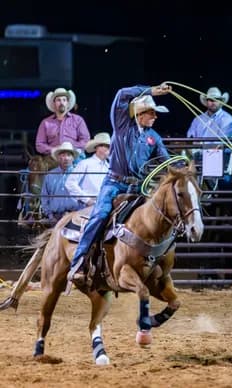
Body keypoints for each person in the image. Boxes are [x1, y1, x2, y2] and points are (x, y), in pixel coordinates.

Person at [67, 84, 173, 285]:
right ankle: (78, 262)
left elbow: (166, 162)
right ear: (140, 114)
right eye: (152, 113)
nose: (155, 117)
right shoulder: (123, 124)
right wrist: (151, 90)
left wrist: (184, 169)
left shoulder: (153, 138)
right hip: (115, 183)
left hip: (138, 187)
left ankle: (151, 261)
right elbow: (121, 94)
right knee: (99, 215)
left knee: (157, 216)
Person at [187, 87, 232, 189]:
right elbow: (190, 138)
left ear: (221, 101)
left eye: (216, 99)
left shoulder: (227, 119)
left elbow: (221, 141)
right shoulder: (198, 119)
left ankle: (210, 191)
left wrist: (200, 147)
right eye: (210, 100)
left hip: (219, 155)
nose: (213, 102)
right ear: (206, 102)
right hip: (199, 155)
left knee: (211, 155)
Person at [35, 88, 90, 158]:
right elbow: (39, 144)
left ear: (67, 103)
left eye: (64, 100)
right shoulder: (45, 122)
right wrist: (53, 150)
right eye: (58, 100)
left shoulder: (78, 120)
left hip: (73, 157)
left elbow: (86, 140)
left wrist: (70, 147)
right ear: (54, 103)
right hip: (53, 158)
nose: (62, 102)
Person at [65, 132, 110, 208]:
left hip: (104, 203)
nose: (108, 149)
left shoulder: (108, 167)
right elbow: (70, 183)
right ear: (97, 148)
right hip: (87, 206)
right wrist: (87, 200)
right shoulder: (85, 163)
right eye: (105, 146)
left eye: (108, 146)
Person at [41, 142, 80, 222]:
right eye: (63, 155)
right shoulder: (50, 176)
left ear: (73, 158)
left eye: (68, 155)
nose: (66, 158)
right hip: (55, 217)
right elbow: (44, 197)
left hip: (75, 216)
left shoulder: (79, 174)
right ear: (58, 158)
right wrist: (50, 216)